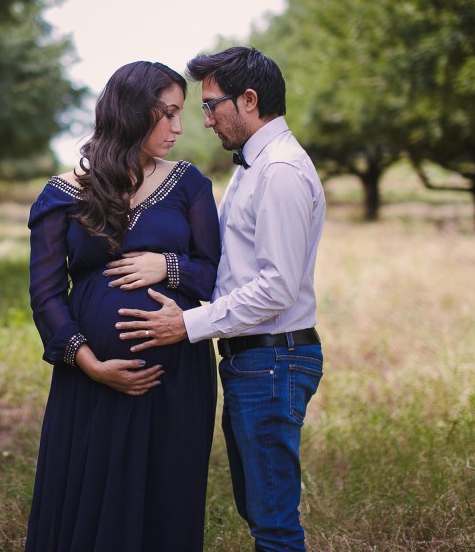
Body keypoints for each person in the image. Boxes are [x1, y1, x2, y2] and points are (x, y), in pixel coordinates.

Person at [116, 47, 326, 551]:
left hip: (272, 359)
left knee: (274, 523)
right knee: (260, 511)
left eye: (211, 105)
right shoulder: (253, 167)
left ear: (249, 100)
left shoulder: (278, 172)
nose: (204, 120)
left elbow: (276, 288)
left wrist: (187, 324)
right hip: (254, 359)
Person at [25, 60, 221, 552]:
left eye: (182, 114)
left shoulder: (189, 184)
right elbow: (45, 293)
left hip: (174, 381)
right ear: (133, 112)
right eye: (168, 114)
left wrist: (167, 267)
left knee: (165, 498)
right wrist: (91, 364)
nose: (179, 127)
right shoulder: (64, 192)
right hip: (90, 381)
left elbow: (216, 274)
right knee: (89, 498)